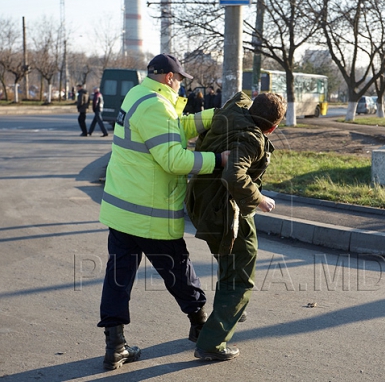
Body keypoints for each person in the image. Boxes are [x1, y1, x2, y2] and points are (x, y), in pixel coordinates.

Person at [97, 53, 230, 371]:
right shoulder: (157, 105)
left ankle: (115, 346)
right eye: (180, 79)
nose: (181, 85)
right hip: (150, 212)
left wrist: (214, 116)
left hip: (123, 210)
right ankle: (200, 329)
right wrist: (217, 160)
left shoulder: (139, 95)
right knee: (180, 272)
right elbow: (174, 158)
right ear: (171, 78)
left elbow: (175, 128)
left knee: (118, 279)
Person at [186, 91, 286, 361]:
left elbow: (239, 97)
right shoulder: (252, 138)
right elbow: (234, 174)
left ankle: (227, 314)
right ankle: (211, 343)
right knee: (240, 274)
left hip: (202, 201)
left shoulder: (235, 111)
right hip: (226, 212)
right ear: (273, 127)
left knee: (230, 264)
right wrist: (260, 199)